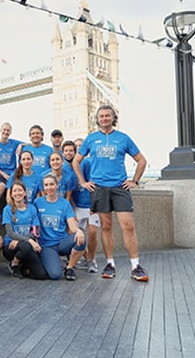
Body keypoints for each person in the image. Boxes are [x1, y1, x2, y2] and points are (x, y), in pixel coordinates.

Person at [72, 105, 149, 282]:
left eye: (108, 116)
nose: (105, 119)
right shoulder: (91, 139)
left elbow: (141, 161)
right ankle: (110, 263)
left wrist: (134, 181)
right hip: (99, 188)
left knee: (128, 226)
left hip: (120, 187)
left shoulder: (123, 138)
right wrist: (83, 182)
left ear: (113, 118)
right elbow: (76, 162)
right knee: (106, 227)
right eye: (101, 116)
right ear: (97, 119)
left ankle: (135, 266)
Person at [35, 174, 86, 281]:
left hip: (62, 242)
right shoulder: (38, 202)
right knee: (55, 275)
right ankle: (51, 261)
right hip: (47, 245)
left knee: (81, 239)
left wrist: (78, 231)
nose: (49, 188)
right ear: (43, 187)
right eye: (46, 185)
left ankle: (69, 267)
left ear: (57, 185)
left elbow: (72, 225)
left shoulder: (65, 203)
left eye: (52, 184)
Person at [2, 181, 47, 279]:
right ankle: (14, 264)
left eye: (20, 190)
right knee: (26, 245)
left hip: (26, 246)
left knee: (41, 275)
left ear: (25, 193)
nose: (17, 193)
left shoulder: (32, 209)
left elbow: (36, 231)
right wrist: (30, 240)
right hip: (11, 247)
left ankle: (22, 268)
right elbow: (10, 233)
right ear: (11, 194)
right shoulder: (7, 209)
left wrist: (20, 239)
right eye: (15, 191)